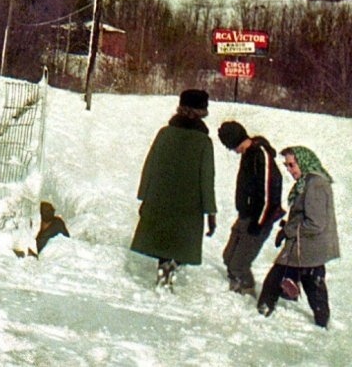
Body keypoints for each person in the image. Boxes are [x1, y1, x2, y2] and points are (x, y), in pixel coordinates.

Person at [130, 89, 217, 290]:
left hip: (160, 198)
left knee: (162, 240)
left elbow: (150, 165)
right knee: (181, 245)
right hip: (189, 206)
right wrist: (210, 211)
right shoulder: (204, 142)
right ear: (203, 112)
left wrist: (144, 196)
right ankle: (171, 267)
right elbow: (207, 178)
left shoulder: (165, 133)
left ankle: (164, 269)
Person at [257, 146, 340, 328]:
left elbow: (315, 223)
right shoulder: (308, 182)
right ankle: (322, 323)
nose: (289, 170)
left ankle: (262, 315)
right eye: (286, 165)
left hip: (308, 247)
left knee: (277, 281)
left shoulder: (315, 184)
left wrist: (288, 230)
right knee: (311, 285)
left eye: (292, 165)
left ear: (303, 161)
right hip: (306, 247)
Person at [217, 121, 284, 295]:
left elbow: (270, 191)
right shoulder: (248, 154)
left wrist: (259, 222)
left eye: (232, 147)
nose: (233, 151)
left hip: (260, 218)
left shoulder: (260, 154)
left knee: (239, 263)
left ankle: (246, 291)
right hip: (246, 215)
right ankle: (236, 284)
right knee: (228, 257)